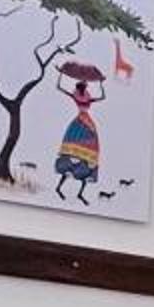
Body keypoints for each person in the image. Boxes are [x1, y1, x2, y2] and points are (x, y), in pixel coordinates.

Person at [53, 62, 107, 205]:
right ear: (82, 88)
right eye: (84, 86)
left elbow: (102, 97)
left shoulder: (81, 97)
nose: (85, 87)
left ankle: (73, 188)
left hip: (83, 122)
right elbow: (103, 97)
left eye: (84, 86)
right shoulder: (81, 97)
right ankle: (71, 188)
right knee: (83, 152)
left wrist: (60, 74)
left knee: (86, 153)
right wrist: (101, 84)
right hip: (83, 122)